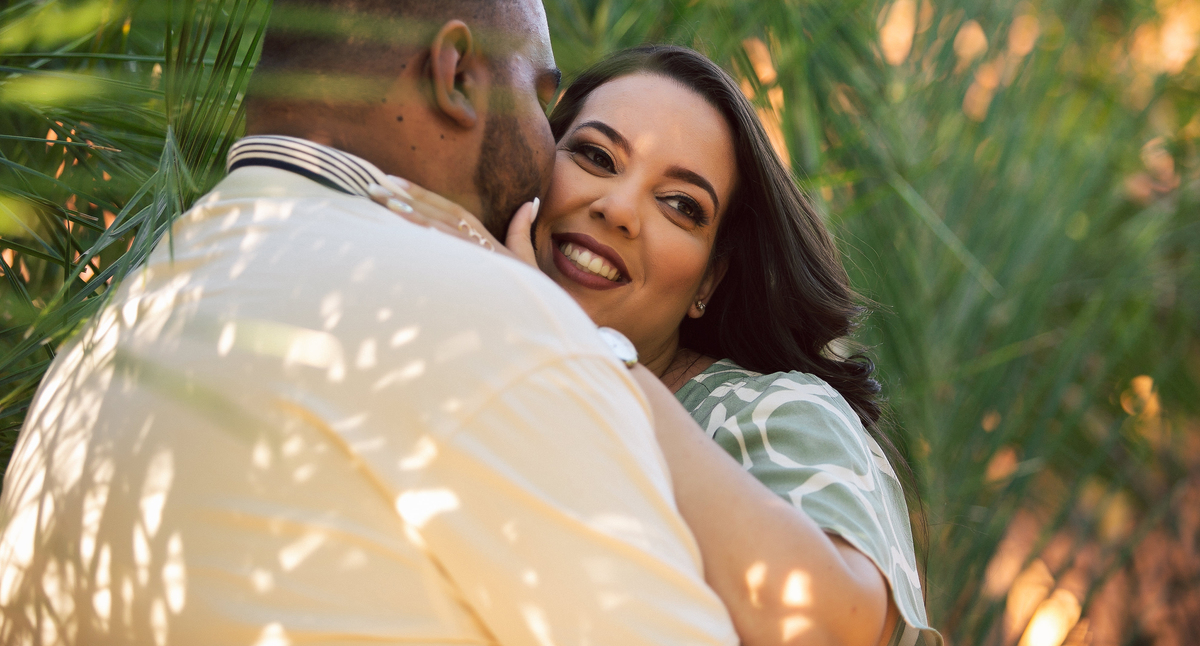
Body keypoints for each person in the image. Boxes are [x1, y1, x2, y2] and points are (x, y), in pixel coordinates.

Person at [0, 0, 740, 645]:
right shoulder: (479, 321)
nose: (550, 146)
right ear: (456, 75)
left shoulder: (117, 328)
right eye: (542, 97)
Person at [370, 45, 944, 646]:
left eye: (680, 206)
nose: (618, 209)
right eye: (596, 156)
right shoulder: (439, 355)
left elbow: (828, 630)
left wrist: (580, 355)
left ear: (709, 281)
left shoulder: (765, 413)